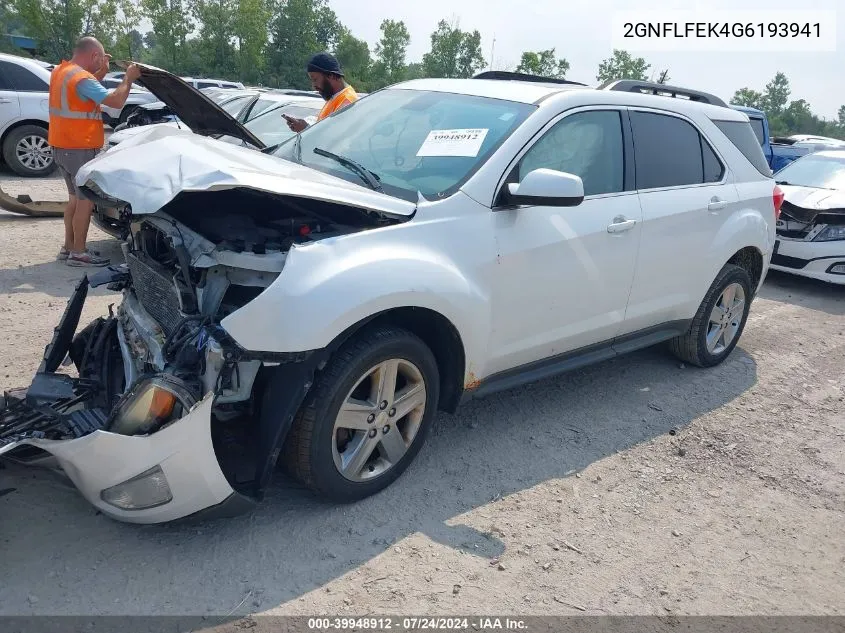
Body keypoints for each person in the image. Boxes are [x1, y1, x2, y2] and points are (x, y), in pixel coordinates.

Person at [48, 36, 141, 267]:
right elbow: (116, 101)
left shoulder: (62, 71)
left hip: (61, 145)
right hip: (79, 147)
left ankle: (69, 247)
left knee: (73, 200)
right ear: (94, 56)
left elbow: (86, 91)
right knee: (85, 202)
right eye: (99, 59)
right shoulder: (81, 77)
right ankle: (79, 253)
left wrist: (103, 71)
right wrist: (128, 79)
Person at [282, 52, 357, 133]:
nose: (313, 86)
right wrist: (304, 125)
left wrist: (306, 129)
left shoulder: (348, 100)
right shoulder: (335, 97)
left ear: (330, 75)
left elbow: (335, 137)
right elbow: (325, 127)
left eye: (315, 79)